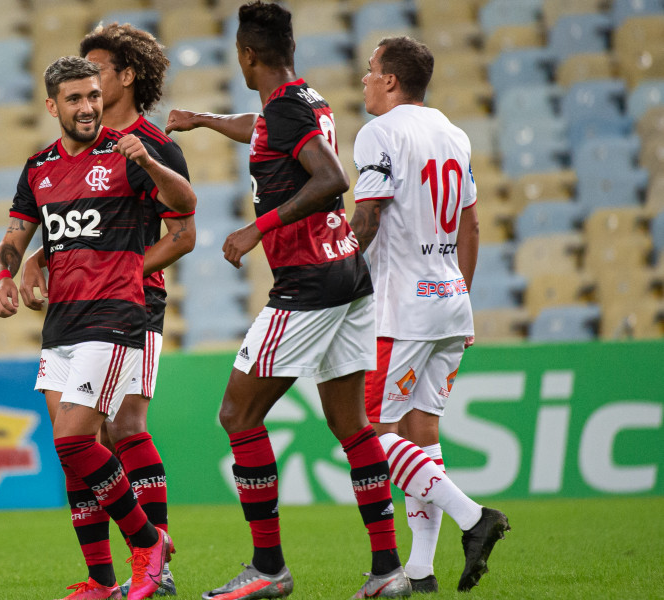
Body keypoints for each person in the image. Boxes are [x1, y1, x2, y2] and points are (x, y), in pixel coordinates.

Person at [166, 3, 411, 598]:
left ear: (247, 55)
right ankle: (387, 572)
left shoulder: (286, 112)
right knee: (351, 424)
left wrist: (257, 228)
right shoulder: (307, 102)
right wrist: (200, 118)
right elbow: (263, 129)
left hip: (307, 283)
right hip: (349, 276)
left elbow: (331, 178)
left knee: (237, 415)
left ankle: (269, 567)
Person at [0, 55, 195, 600]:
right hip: (61, 323)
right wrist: (6, 276)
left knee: (76, 439)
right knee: (75, 460)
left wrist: (148, 163)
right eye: (75, 99)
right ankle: (103, 582)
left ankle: (149, 544)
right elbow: (16, 236)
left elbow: (186, 207)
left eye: (93, 96)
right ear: (53, 105)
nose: (87, 107)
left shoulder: (127, 153)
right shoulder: (38, 167)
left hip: (115, 318)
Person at [350, 36, 510, 594]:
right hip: (449, 301)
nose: (365, 80)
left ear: (391, 80)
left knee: (368, 435)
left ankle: (473, 517)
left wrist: (334, 273)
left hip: (400, 311)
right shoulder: (453, 132)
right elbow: (471, 225)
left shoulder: (380, 132)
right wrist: (458, 295)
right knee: (422, 434)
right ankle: (419, 569)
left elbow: (367, 218)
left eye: (371, 72)